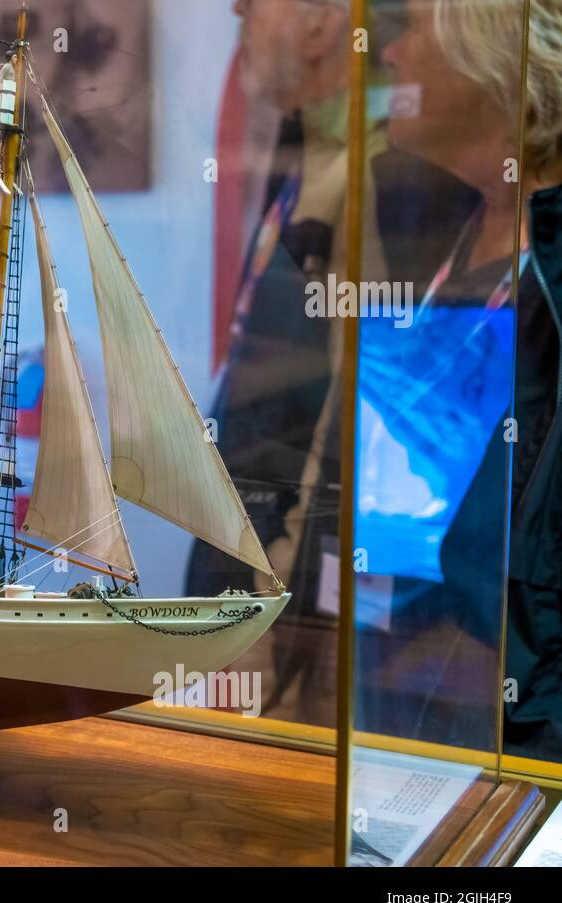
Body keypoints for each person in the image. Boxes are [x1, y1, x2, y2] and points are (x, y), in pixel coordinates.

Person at [191, 0, 479, 721]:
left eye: (255, 3)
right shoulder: (310, 157)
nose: (237, 10)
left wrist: (277, 621)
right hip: (253, 598)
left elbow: (353, 425)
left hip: (292, 621)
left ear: (323, 22)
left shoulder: (386, 184)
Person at [381, 0, 562, 758]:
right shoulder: (416, 214)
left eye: (414, 24)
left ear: (491, 49)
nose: (388, 54)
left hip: (523, 736)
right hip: (409, 685)